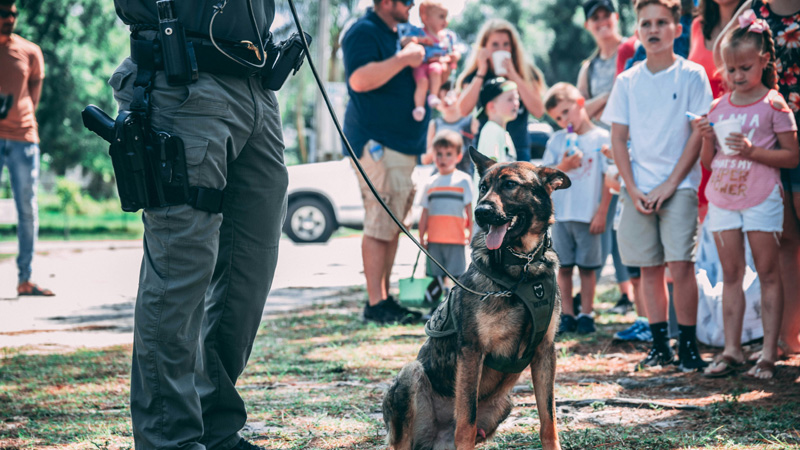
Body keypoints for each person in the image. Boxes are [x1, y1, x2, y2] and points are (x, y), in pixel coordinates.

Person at [111, 1, 287, 449]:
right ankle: (170, 439)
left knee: (251, 268)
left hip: (256, 82)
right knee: (180, 270)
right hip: (184, 78)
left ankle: (216, 427)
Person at [602, 0, 713, 372]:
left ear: (677, 29)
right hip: (638, 188)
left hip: (678, 186)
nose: (654, 29)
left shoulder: (692, 75)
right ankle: (659, 345)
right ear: (637, 31)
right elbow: (618, 139)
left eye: (662, 23)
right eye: (646, 23)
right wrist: (631, 189)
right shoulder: (627, 81)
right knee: (648, 269)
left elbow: (696, 137)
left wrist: (670, 183)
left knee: (681, 265)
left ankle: (688, 345)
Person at [698, 12, 798, 379]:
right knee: (730, 275)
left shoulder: (774, 105)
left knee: (768, 272)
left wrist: (753, 151)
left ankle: (768, 353)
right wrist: (707, 139)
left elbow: (792, 156)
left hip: (761, 197)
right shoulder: (718, 107)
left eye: (744, 68)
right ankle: (731, 349)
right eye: (730, 69)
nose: (736, 76)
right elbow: (709, 161)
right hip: (724, 198)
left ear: (764, 61)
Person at [342, 0, 428, 325]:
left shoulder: (395, 33)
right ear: (387, 2)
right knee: (380, 222)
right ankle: (375, 303)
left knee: (393, 223)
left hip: (400, 145)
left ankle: (385, 298)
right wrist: (404, 59)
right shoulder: (363, 32)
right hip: (377, 144)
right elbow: (359, 80)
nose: (412, 6)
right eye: (407, 1)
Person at [543, 82, 611, 335]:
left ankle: (587, 314)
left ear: (580, 104)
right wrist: (565, 166)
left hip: (588, 215)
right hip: (562, 216)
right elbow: (545, 176)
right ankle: (567, 314)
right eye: (558, 118)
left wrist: (602, 211)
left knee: (587, 268)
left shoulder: (601, 138)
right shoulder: (557, 140)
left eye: (566, 112)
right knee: (564, 267)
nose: (563, 120)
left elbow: (608, 179)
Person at [0, 0, 53, 298]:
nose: (9, 19)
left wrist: (20, 119)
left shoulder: (30, 51)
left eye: (13, 14)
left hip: (23, 138)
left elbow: (33, 97)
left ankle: (26, 279)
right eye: (3, 14)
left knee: (27, 210)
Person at [455, 18, 545, 162]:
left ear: (513, 48)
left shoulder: (526, 73)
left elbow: (539, 111)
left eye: (506, 44)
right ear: (484, 47)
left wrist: (513, 75)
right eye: (495, 45)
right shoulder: (475, 76)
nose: (501, 49)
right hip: (486, 150)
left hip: (519, 150)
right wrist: (481, 71)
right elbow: (463, 110)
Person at [418, 130, 473, 306]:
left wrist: (470, 233)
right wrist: (421, 236)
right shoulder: (430, 183)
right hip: (434, 240)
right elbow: (425, 212)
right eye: (439, 154)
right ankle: (434, 308)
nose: (443, 159)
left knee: (457, 276)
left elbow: (469, 210)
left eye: (449, 154)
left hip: (456, 239)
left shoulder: (463, 180)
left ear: (458, 156)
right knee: (435, 275)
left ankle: (457, 308)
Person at [398, 0, 459, 121]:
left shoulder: (447, 37)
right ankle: (419, 107)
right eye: (441, 17)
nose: (445, 21)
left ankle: (433, 96)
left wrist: (454, 57)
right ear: (426, 18)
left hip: (437, 65)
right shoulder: (419, 32)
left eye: (446, 17)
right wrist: (420, 40)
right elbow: (404, 41)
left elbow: (455, 51)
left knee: (436, 71)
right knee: (422, 82)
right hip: (421, 65)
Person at [422, 81, 478, 175]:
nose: (444, 99)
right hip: (440, 177)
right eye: (439, 97)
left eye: (448, 94)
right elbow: (425, 160)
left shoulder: (471, 121)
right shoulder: (434, 124)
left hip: (465, 176)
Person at [475, 77, 519, 163]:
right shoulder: (492, 130)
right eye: (510, 99)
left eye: (517, 99)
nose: (516, 103)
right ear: (491, 106)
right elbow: (492, 167)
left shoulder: (501, 132)